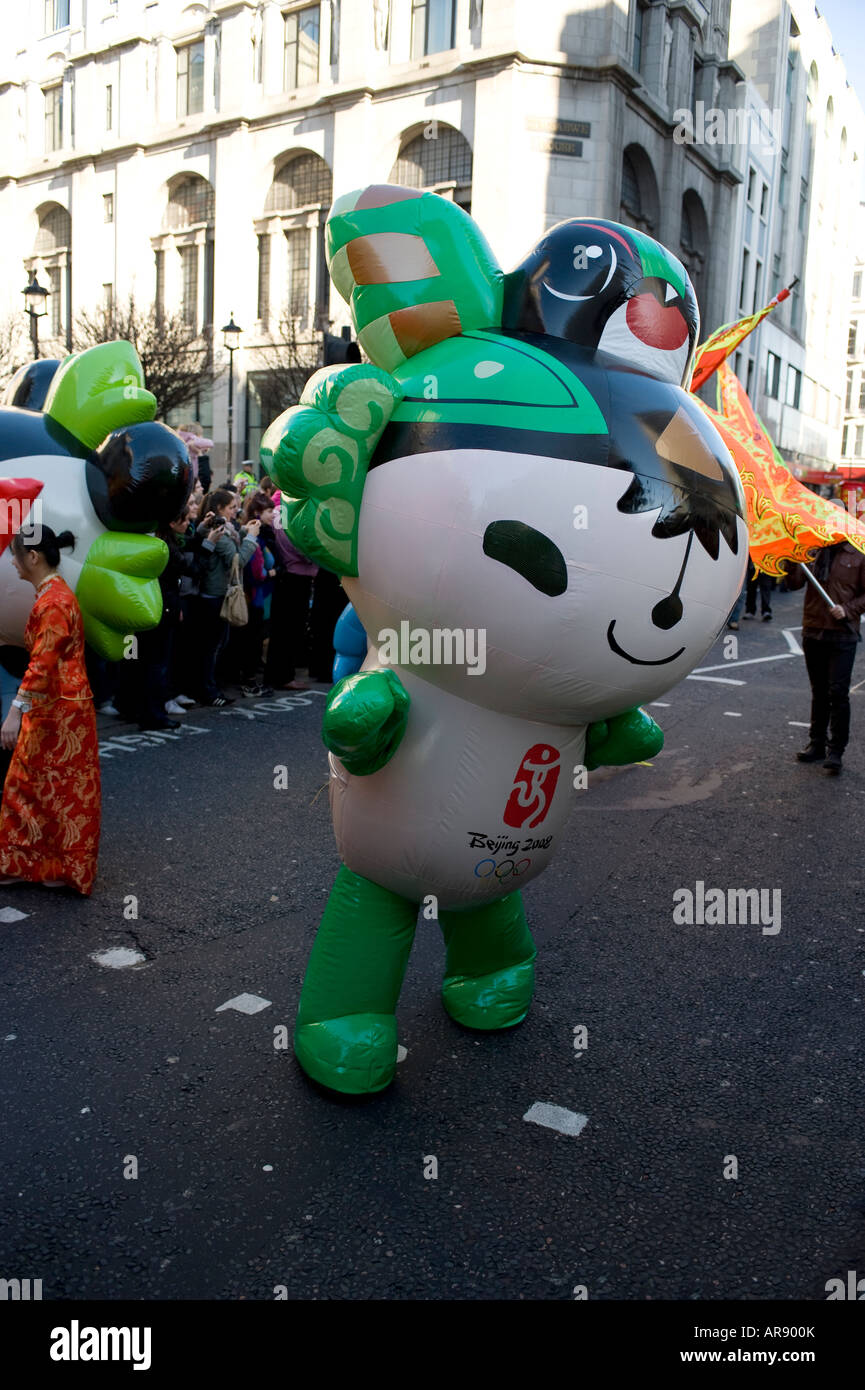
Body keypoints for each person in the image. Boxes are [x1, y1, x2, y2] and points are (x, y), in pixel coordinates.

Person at [0, 527, 100, 894]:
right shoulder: (54, 595)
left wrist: (13, 713)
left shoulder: (53, 602)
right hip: (64, 706)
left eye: (15, 554)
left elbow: (41, 664)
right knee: (58, 789)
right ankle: (55, 866)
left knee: (25, 786)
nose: (11, 561)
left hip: (57, 709)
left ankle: (21, 865)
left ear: (33, 557)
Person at [787, 542, 865, 774]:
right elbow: (793, 584)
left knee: (838, 693)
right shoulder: (812, 551)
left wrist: (848, 609)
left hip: (842, 633)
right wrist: (793, 558)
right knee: (819, 691)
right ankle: (817, 743)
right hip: (813, 629)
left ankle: (836, 751)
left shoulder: (858, 554)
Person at [194, 489, 259, 706]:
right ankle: (208, 691)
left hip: (221, 593)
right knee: (211, 647)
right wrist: (251, 538)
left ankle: (212, 686)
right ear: (220, 509)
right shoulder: (218, 531)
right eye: (232, 507)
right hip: (214, 595)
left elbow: (234, 543)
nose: (236, 511)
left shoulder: (227, 528)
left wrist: (244, 532)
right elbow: (236, 560)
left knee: (219, 644)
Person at [265, 489, 318, 690]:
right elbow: (294, 542)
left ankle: (279, 674)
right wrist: (314, 556)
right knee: (290, 629)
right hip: (296, 574)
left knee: (282, 628)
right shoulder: (286, 509)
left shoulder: (279, 508)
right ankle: (284, 676)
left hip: (289, 574)